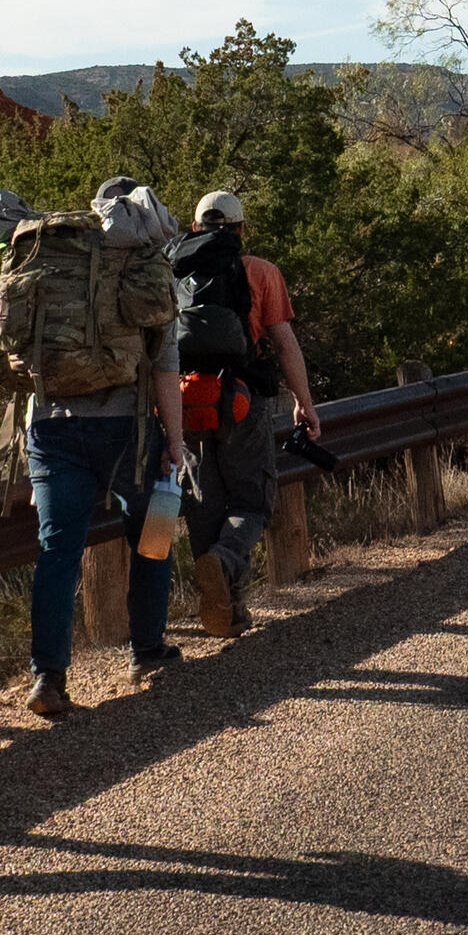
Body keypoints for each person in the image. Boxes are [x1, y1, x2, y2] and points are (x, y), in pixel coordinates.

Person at [21, 176, 188, 716]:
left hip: (51, 426)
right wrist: (176, 442)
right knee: (154, 531)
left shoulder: (52, 258)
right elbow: (165, 368)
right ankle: (147, 650)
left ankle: (47, 678)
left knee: (57, 550)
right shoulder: (142, 263)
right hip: (127, 428)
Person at [178, 190, 320, 638]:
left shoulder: (172, 269)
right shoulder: (260, 271)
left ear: (195, 227)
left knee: (203, 505)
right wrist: (304, 402)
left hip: (187, 401)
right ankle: (223, 564)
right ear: (241, 229)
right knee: (252, 503)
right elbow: (284, 343)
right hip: (243, 400)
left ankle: (228, 609)